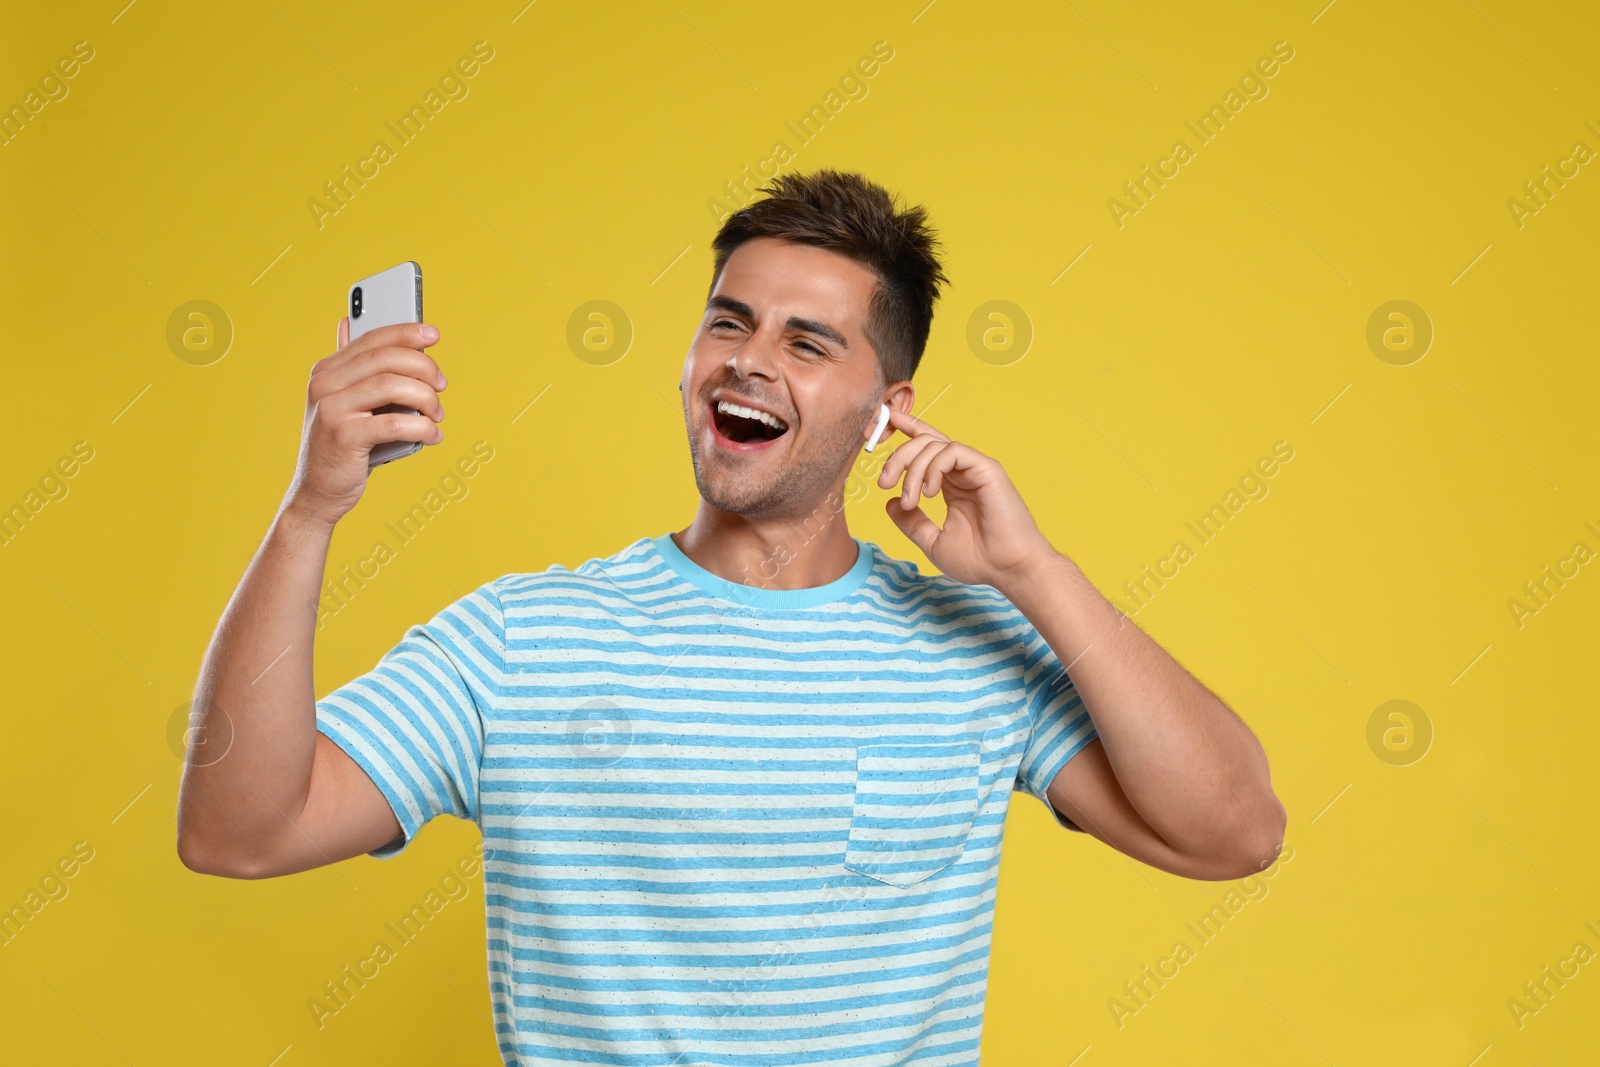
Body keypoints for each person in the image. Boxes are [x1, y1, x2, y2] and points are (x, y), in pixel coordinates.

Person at [177, 168, 1285, 1065]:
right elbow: (239, 830)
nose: (748, 360)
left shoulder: (973, 649)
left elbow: (1233, 831)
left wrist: (1035, 574)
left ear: (885, 412)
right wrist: (312, 508)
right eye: (728, 322)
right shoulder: (522, 638)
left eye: (808, 342)